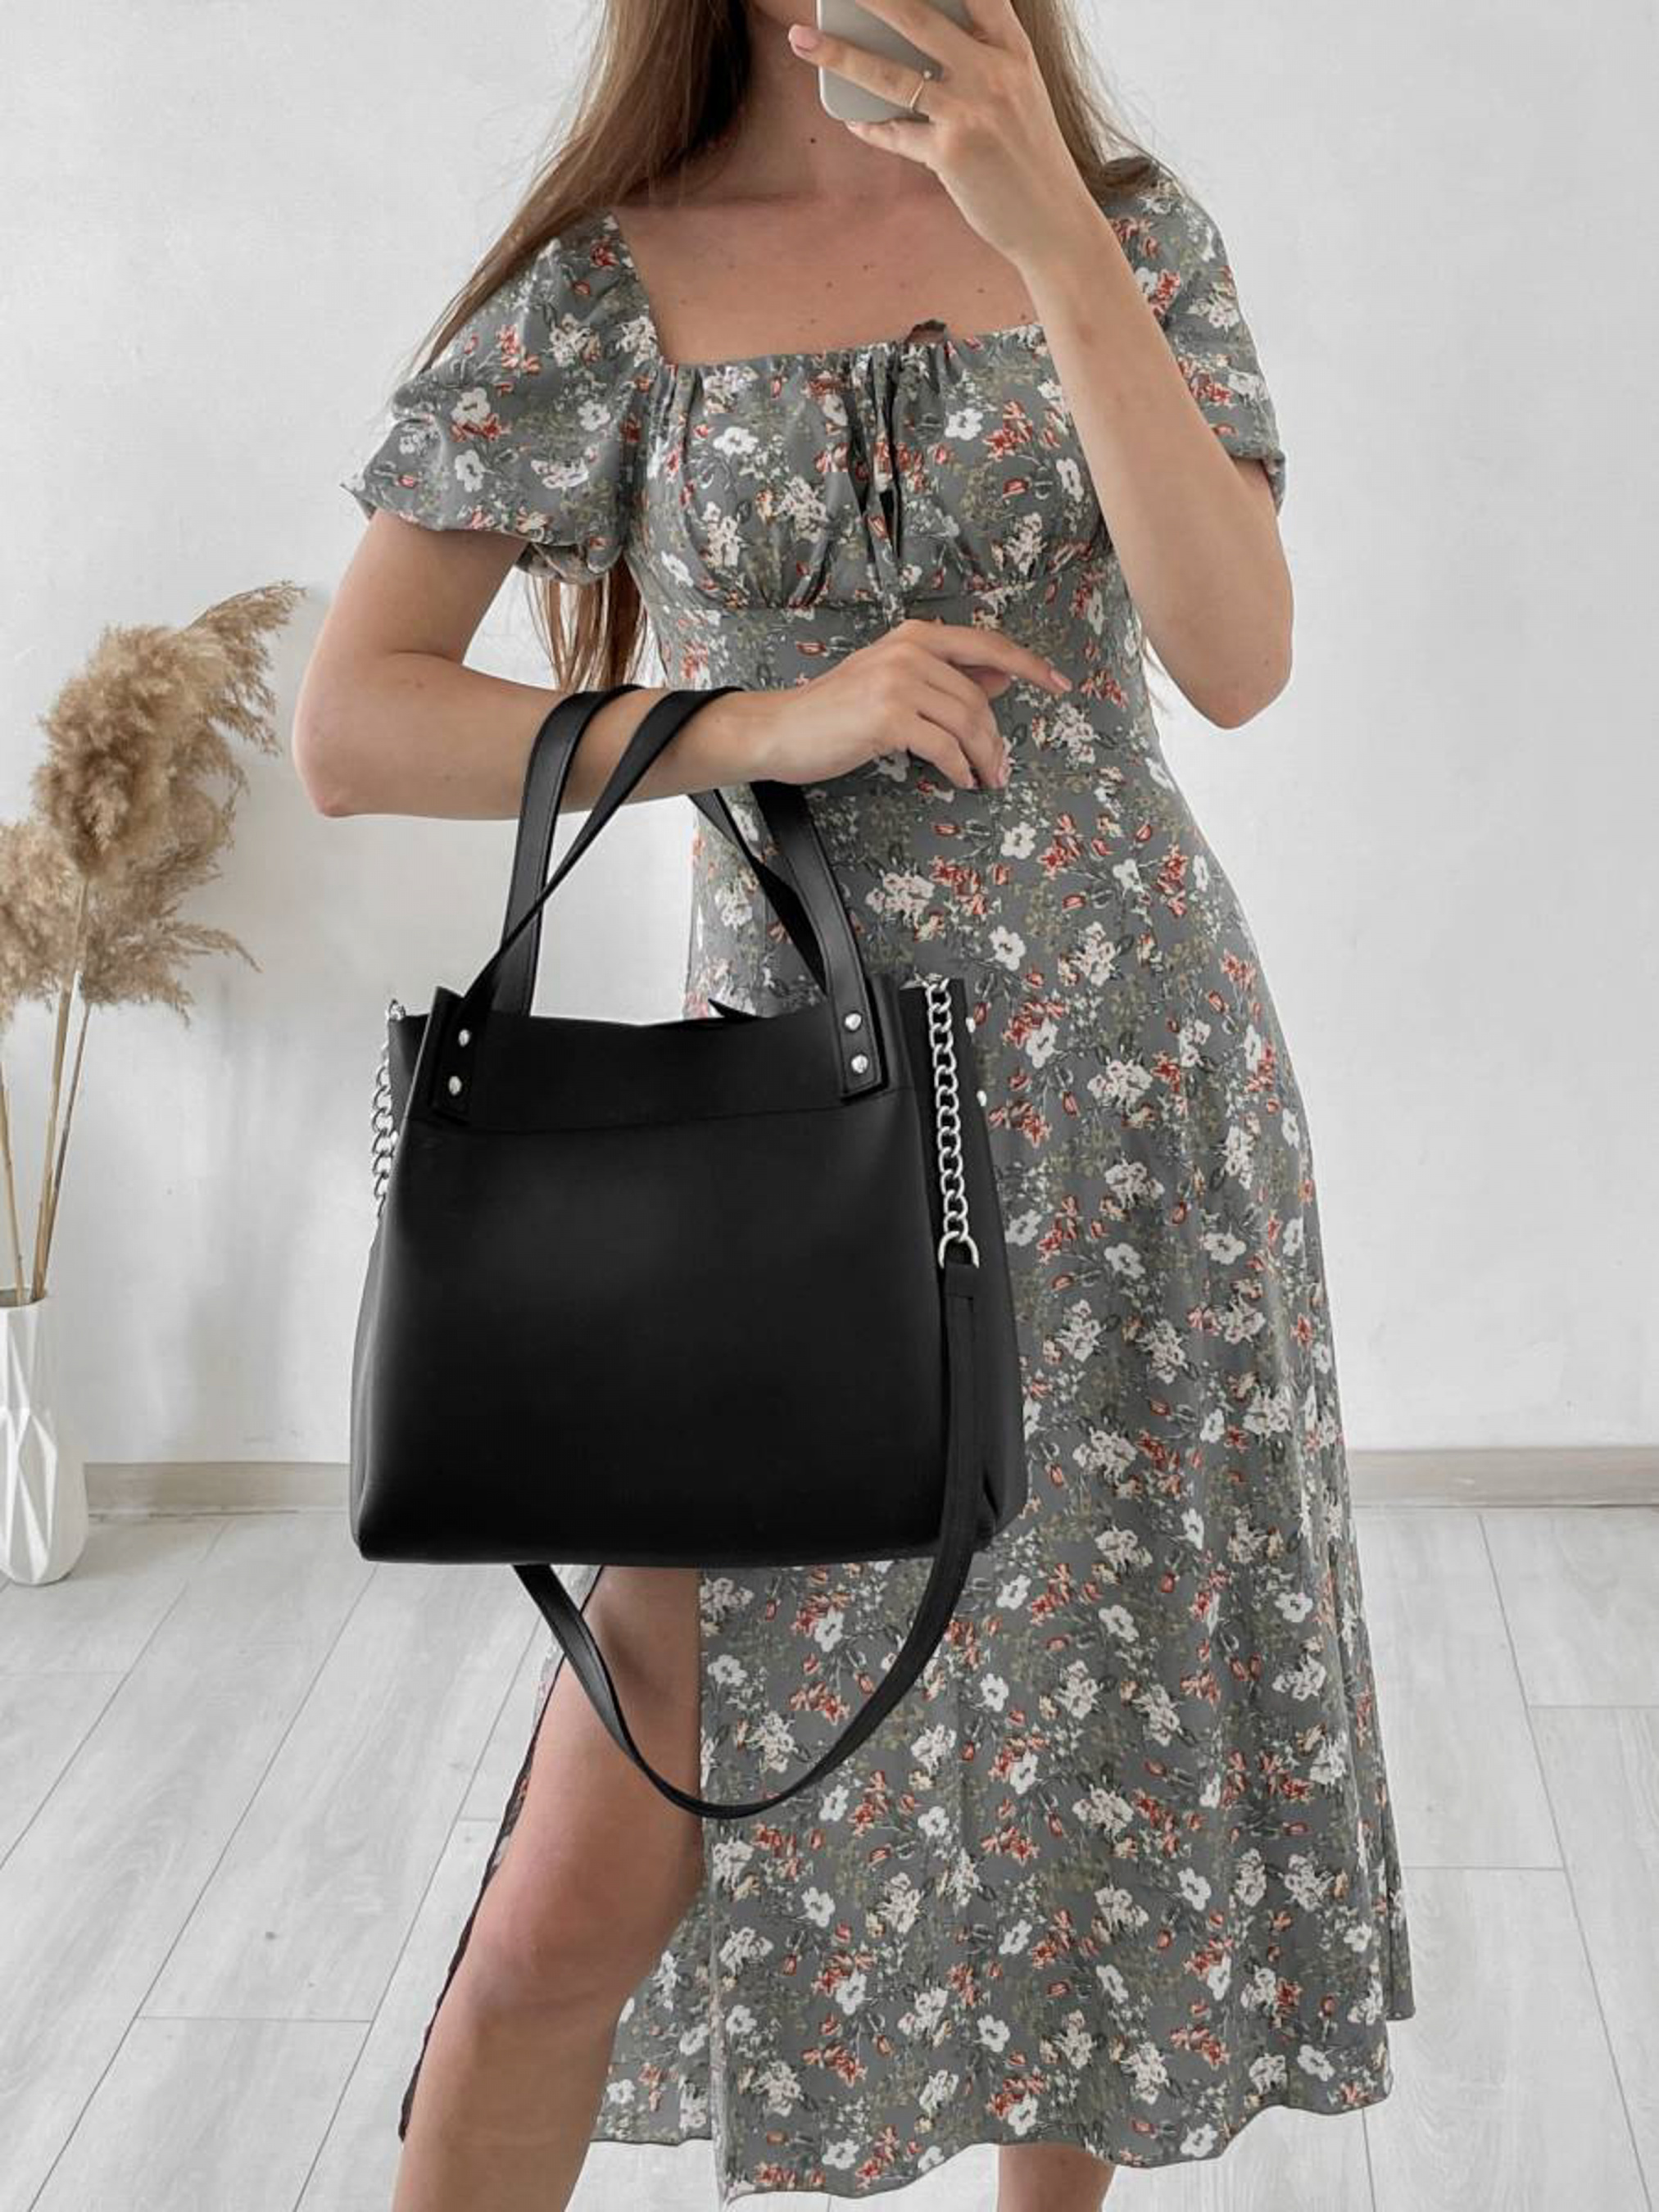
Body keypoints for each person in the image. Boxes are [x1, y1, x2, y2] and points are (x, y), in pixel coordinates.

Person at [297, 2, 1416, 2205]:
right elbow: (356, 724)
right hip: (785, 1163)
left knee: (1083, 1825)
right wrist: (750, 721)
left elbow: (1234, 653)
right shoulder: (609, 281)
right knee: (560, 1920)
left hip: (1128, 1116)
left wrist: (1050, 236)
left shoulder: (1127, 231)